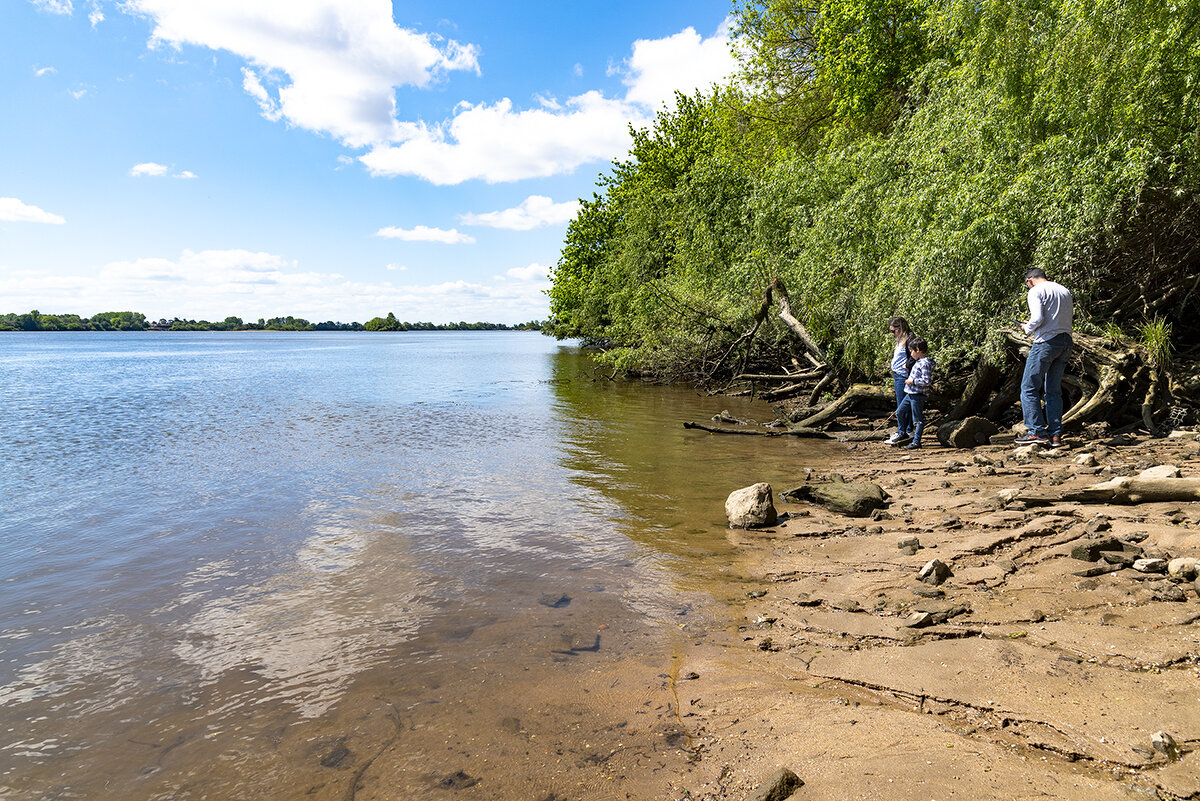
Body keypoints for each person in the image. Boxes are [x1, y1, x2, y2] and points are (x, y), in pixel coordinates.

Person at [1017, 268, 1073, 447]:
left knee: (1029, 387)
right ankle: (1055, 435)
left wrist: (1027, 327)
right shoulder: (1064, 290)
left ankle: (1036, 432)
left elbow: (1038, 318)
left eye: (1026, 284)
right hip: (1065, 341)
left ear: (1030, 280)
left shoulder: (1035, 291)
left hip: (1046, 342)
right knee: (1053, 391)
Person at [884, 317, 916, 445]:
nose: (892, 334)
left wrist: (908, 366)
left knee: (902, 406)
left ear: (901, 328)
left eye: (893, 331)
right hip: (897, 375)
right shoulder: (901, 339)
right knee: (904, 405)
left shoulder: (910, 340)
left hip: (903, 376)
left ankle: (902, 432)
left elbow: (916, 355)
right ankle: (907, 431)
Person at [898, 337, 934, 450]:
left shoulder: (925, 363)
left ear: (917, 349)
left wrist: (912, 381)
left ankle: (916, 442)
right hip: (910, 393)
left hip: (917, 395)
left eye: (911, 351)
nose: (911, 354)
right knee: (899, 412)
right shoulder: (919, 362)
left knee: (917, 420)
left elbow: (926, 381)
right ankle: (902, 433)